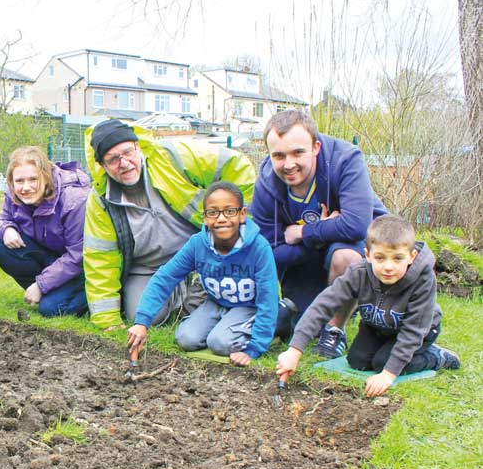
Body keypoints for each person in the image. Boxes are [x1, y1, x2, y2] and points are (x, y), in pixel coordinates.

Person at [83, 119, 258, 331]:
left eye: (128, 152)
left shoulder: (172, 156)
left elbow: (236, 165)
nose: (124, 163)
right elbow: (100, 259)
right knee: (141, 314)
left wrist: (233, 222)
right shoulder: (101, 200)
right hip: (148, 269)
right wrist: (107, 321)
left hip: (199, 255)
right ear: (102, 166)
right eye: (113, 159)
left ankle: (199, 292)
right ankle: (189, 299)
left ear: (138, 146)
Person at [252, 110, 388, 358]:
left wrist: (303, 231)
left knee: (345, 258)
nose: (288, 164)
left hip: (353, 248)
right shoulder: (265, 184)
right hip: (303, 260)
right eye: (279, 156)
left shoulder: (345, 159)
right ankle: (292, 314)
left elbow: (357, 225)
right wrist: (316, 239)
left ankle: (335, 330)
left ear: (315, 147)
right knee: (303, 327)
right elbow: (267, 252)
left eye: (297, 152)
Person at [276, 215, 460, 397]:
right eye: (380, 258)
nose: (388, 267)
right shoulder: (359, 273)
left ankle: (435, 356)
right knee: (357, 361)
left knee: (383, 363)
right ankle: (387, 351)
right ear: (368, 255)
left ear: (412, 257)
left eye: (397, 258)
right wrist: (295, 350)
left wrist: (388, 375)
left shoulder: (424, 280)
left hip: (420, 330)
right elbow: (323, 305)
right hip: (377, 325)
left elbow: (414, 331)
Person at [127, 182, 279, 366]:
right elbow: (165, 278)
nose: (221, 218)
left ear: (242, 214)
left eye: (230, 211)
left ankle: (279, 322)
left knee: (220, 343)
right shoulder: (198, 244)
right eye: (213, 212)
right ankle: (225, 325)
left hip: (249, 306)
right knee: (185, 339)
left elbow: (267, 298)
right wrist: (142, 322)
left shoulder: (259, 248)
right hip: (216, 303)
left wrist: (255, 348)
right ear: (205, 218)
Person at [0, 146, 91, 317]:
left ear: (45, 176)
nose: (25, 187)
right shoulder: (14, 193)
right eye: (19, 181)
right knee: (3, 249)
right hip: (54, 256)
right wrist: (6, 228)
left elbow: (78, 255)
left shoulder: (74, 199)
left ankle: (86, 296)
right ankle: (49, 291)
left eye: (33, 179)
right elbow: (1, 219)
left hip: (84, 266)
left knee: (51, 309)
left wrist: (41, 284)